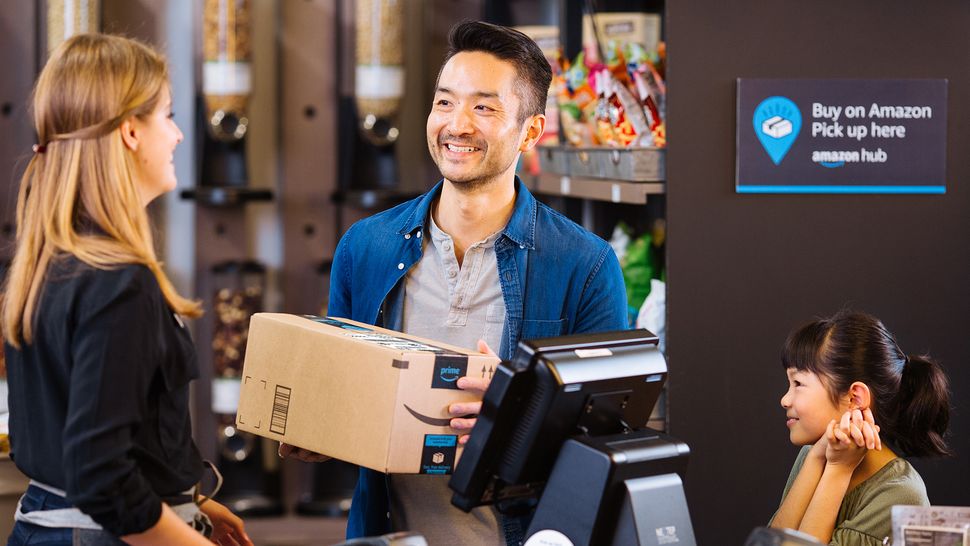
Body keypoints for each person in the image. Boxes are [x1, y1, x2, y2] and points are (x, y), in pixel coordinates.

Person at [283, 20, 628, 546]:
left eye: (484, 108)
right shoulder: (365, 247)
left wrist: (516, 426)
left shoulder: (586, 265)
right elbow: (344, 399)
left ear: (531, 131)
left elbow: (609, 443)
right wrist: (317, 430)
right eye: (445, 102)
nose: (456, 124)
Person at [1, 34, 252, 546]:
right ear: (131, 132)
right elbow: (102, 479)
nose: (178, 135)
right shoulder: (119, 283)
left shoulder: (51, 262)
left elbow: (94, 428)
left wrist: (190, 499)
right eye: (167, 115)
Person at [770, 310, 952, 545]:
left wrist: (838, 470)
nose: (785, 400)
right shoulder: (812, 454)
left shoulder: (900, 495)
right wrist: (815, 458)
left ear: (854, 398)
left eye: (798, 383)